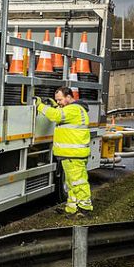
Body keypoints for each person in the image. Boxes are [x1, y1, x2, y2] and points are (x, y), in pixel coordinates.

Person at [35, 86, 93, 217]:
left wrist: (39, 106)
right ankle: (71, 209)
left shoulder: (74, 109)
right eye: (57, 100)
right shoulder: (73, 109)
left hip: (73, 155)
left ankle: (85, 209)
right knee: (72, 183)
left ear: (68, 97)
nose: (59, 102)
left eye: (60, 100)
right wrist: (56, 106)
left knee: (78, 182)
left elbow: (56, 116)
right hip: (71, 154)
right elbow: (60, 113)